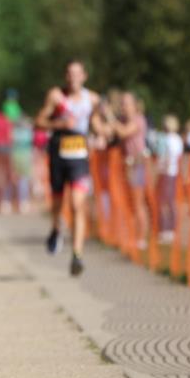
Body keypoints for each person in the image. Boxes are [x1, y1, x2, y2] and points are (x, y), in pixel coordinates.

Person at [34, 60, 104, 276]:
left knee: (77, 204)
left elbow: (96, 123)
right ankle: (56, 229)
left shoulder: (92, 99)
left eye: (77, 74)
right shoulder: (56, 96)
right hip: (58, 150)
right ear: (66, 76)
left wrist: (102, 133)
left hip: (79, 154)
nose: (73, 77)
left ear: (84, 76)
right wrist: (58, 124)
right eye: (69, 74)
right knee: (57, 203)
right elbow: (39, 121)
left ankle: (77, 254)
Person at [109, 91, 149, 250]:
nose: (123, 107)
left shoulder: (138, 120)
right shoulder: (123, 120)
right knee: (130, 201)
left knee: (138, 201)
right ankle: (132, 235)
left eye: (126, 103)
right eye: (122, 104)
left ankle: (141, 238)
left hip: (137, 163)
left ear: (134, 105)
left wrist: (110, 118)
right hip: (128, 164)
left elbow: (124, 132)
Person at [156, 114, 184, 243]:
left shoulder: (168, 139)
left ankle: (167, 229)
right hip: (171, 172)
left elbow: (168, 156)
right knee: (168, 201)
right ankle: (169, 228)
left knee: (166, 202)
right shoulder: (177, 139)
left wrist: (163, 167)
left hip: (167, 172)